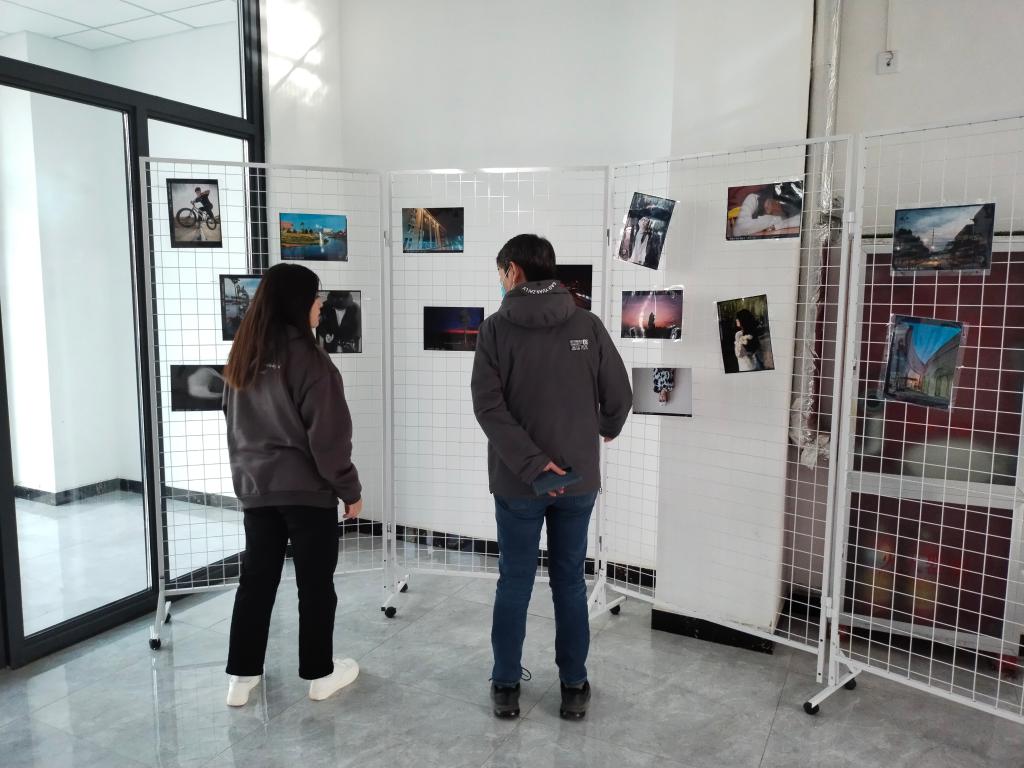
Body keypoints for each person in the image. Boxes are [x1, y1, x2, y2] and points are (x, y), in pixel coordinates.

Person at [472, 234, 632, 721]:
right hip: (578, 481)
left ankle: (505, 687)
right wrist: (604, 429)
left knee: (514, 581)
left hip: (517, 483)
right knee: (569, 581)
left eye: (501, 272)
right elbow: (620, 396)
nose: (500, 280)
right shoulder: (587, 323)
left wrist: (534, 464)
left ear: (513, 272)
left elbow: (488, 408)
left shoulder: (494, 330)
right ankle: (574, 686)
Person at [221, 262, 363, 707]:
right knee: (315, 585)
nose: (320, 304)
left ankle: (241, 677)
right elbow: (329, 438)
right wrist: (350, 490)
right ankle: (320, 674)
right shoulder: (311, 361)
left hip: (257, 490)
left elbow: (233, 424)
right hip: (307, 493)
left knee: (256, 582)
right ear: (298, 302)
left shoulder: (243, 354)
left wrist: (247, 480)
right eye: (316, 296)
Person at [731, 182, 802, 238]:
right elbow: (738, 230)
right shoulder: (753, 198)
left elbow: (800, 219)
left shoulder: (789, 210)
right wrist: (776, 219)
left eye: (779, 207)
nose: (772, 207)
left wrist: (775, 226)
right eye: (772, 201)